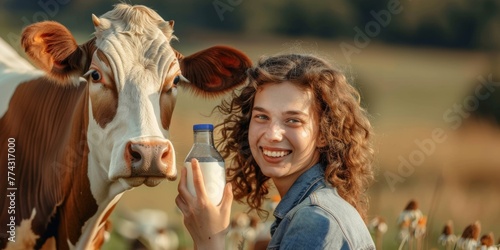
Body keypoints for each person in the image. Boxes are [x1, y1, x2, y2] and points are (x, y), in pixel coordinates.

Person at [175, 53, 375, 249]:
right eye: (262, 117)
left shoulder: (315, 220)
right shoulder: (310, 210)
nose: (272, 134)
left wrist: (209, 240)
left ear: (324, 134)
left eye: (293, 120)